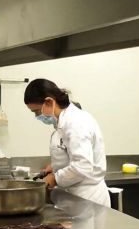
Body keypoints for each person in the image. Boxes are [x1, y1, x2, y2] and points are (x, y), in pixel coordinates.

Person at [25, 78, 110, 207]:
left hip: (87, 198)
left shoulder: (76, 123)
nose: (37, 116)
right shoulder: (62, 122)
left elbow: (82, 166)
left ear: (49, 102)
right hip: (74, 196)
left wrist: (54, 178)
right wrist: (55, 166)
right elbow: (73, 153)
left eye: (36, 111)